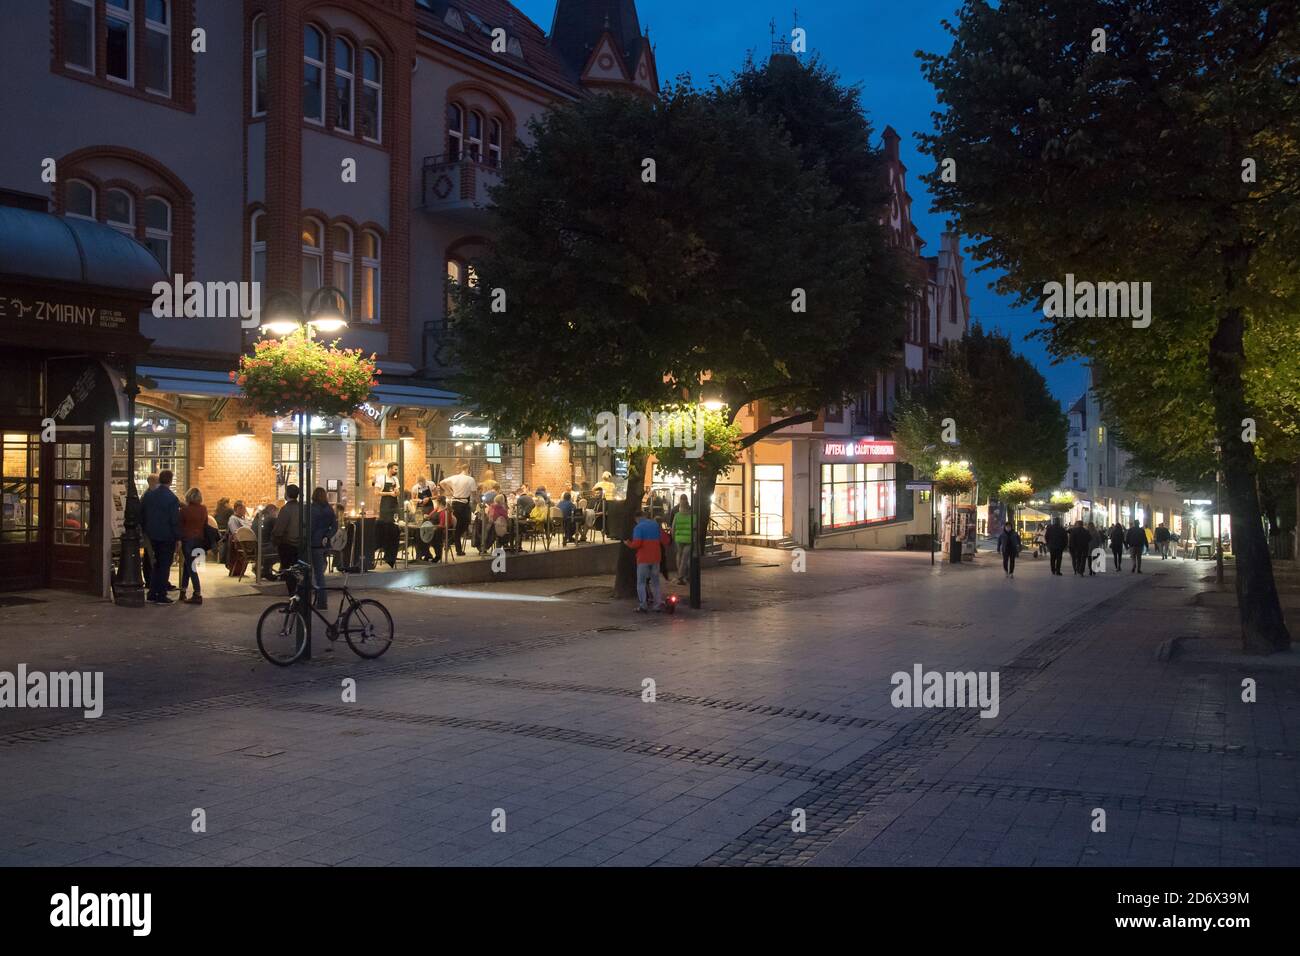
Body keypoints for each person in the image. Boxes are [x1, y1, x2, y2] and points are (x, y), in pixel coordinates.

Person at [139, 469, 181, 605]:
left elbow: (142, 513)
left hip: (151, 534)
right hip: (166, 535)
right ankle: (161, 594)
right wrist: (178, 538)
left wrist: (145, 530)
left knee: (156, 564)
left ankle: (152, 592)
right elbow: (174, 520)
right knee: (164, 565)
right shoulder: (172, 498)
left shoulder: (149, 495)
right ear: (170, 480)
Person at [624, 510, 667, 612]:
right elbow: (665, 539)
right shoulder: (655, 525)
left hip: (643, 558)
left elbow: (637, 544)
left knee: (641, 582)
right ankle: (657, 605)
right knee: (656, 582)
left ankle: (643, 605)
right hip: (656, 557)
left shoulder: (638, 527)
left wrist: (628, 543)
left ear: (637, 518)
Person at [177, 487, 209, 605]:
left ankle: (197, 593)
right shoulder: (204, 509)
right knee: (188, 565)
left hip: (188, 540)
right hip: (199, 540)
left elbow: (180, 526)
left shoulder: (184, 510)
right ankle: (183, 591)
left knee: (191, 568)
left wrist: (178, 541)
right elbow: (205, 524)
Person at [309, 487, 337, 609]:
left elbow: (310, 527)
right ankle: (321, 601)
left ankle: (318, 601)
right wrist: (327, 536)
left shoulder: (312, 509)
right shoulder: (329, 509)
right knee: (320, 574)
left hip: (314, 543)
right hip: (324, 544)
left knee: (314, 573)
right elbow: (334, 526)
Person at [441, 463, 477, 556]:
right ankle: (456, 548)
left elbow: (442, 483)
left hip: (455, 503)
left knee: (458, 527)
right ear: (468, 469)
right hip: (464, 505)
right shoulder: (470, 479)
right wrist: (480, 503)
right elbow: (474, 494)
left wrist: (450, 491)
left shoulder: (454, 477)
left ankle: (451, 542)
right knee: (464, 524)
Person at [272, 485, 303, 584]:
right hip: (300, 544)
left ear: (287, 494)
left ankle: (291, 591)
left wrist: (274, 539)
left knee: (288, 569)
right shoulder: (302, 508)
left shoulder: (285, 509)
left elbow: (279, 529)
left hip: (287, 544)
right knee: (296, 568)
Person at [374, 461, 401, 569]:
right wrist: (389, 493)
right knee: (385, 529)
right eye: (395, 469)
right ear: (389, 468)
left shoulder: (395, 479)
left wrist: (396, 492)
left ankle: (390, 555)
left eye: (397, 469)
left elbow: (398, 492)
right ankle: (385, 550)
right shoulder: (381, 479)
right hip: (385, 507)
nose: (396, 471)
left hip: (394, 506)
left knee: (394, 529)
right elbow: (376, 492)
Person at [672, 495, 694, 585]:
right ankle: (685, 576)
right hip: (689, 539)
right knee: (686, 558)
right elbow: (695, 526)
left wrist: (673, 537)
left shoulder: (676, 513)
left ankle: (680, 576)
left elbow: (672, 528)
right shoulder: (692, 513)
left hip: (679, 539)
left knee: (679, 556)